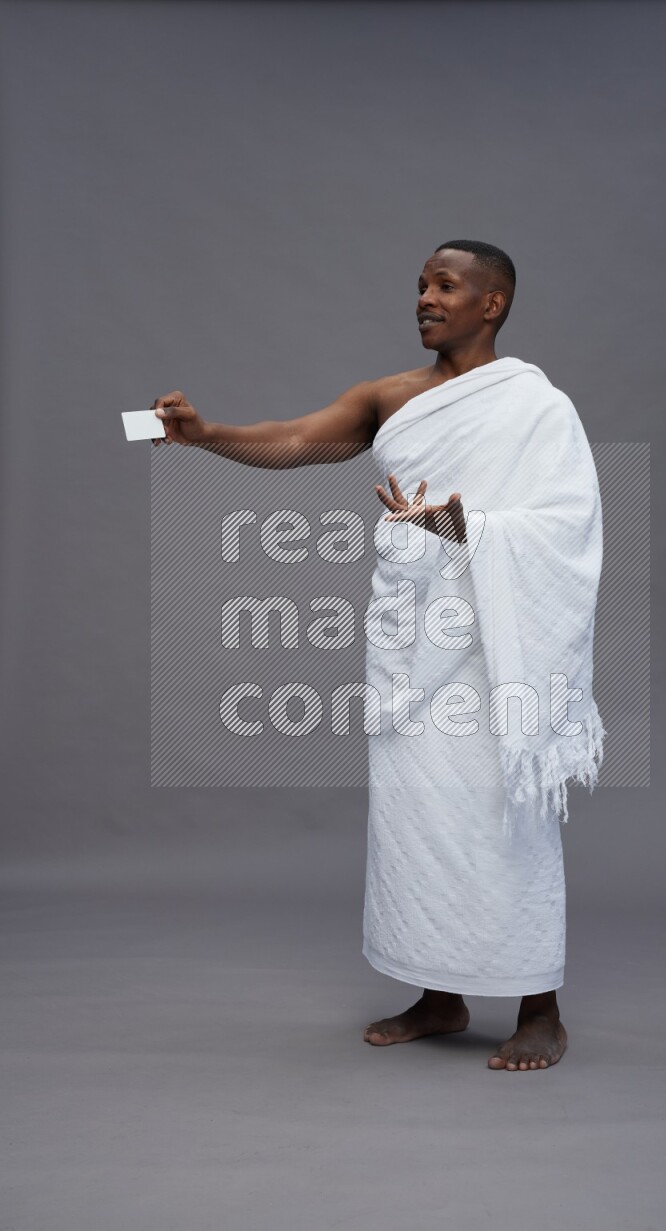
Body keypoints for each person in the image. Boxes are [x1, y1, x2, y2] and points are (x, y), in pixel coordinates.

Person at [151, 240, 604, 1071]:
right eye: (422, 285)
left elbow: (565, 527)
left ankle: (540, 1007)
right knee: (419, 818)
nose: (426, 298)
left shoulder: (538, 406)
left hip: (493, 647)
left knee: (508, 817)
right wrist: (207, 434)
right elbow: (295, 438)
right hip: (411, 642)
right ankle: (440, 994)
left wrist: (454, 525)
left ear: (492, 302)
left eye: (446, 285)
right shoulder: (389, 396)